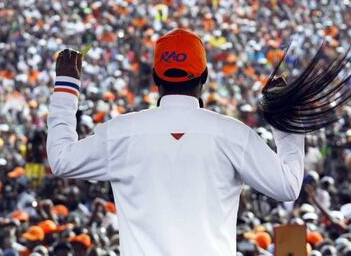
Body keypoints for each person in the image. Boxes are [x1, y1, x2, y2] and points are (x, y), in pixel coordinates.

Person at [47, 28, 305, 255]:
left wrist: (67, 85)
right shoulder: (233, 134)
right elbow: (288, 186)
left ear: (155, 78)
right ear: (203, 76)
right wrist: (284, 114)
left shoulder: (120, 133)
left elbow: (61, 159)